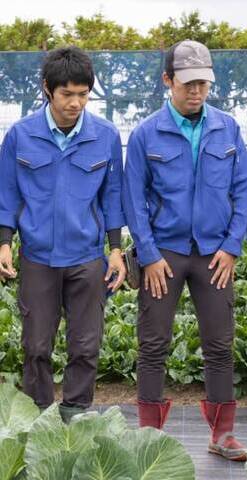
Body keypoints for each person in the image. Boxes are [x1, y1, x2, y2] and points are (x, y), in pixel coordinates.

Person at [122, 40, 247, 461]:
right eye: (188, 83)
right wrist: (148, 253)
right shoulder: (146, 133)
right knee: (153, 343)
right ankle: (148, 436)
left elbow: (244, 190)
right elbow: (133, 198)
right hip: (164, 254)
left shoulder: (227, 128)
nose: (197, 92)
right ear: (168, 81)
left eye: (203, 83)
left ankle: (223, 434)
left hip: (214, 254)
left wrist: (232, 246)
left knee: (219, 343)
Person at [0, 47, 126, 422]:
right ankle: (38, 417)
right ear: (47, 90)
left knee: (86, 345)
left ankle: (76, 415)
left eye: (83, 94)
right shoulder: (21, 136)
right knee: (36, 345)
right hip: (37, 257)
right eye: (67, 94)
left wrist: (116, 249)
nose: (75, 103)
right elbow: (7, 193)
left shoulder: (104, 136)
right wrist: (4, 242)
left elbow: (113, 197)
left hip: (87, 257)